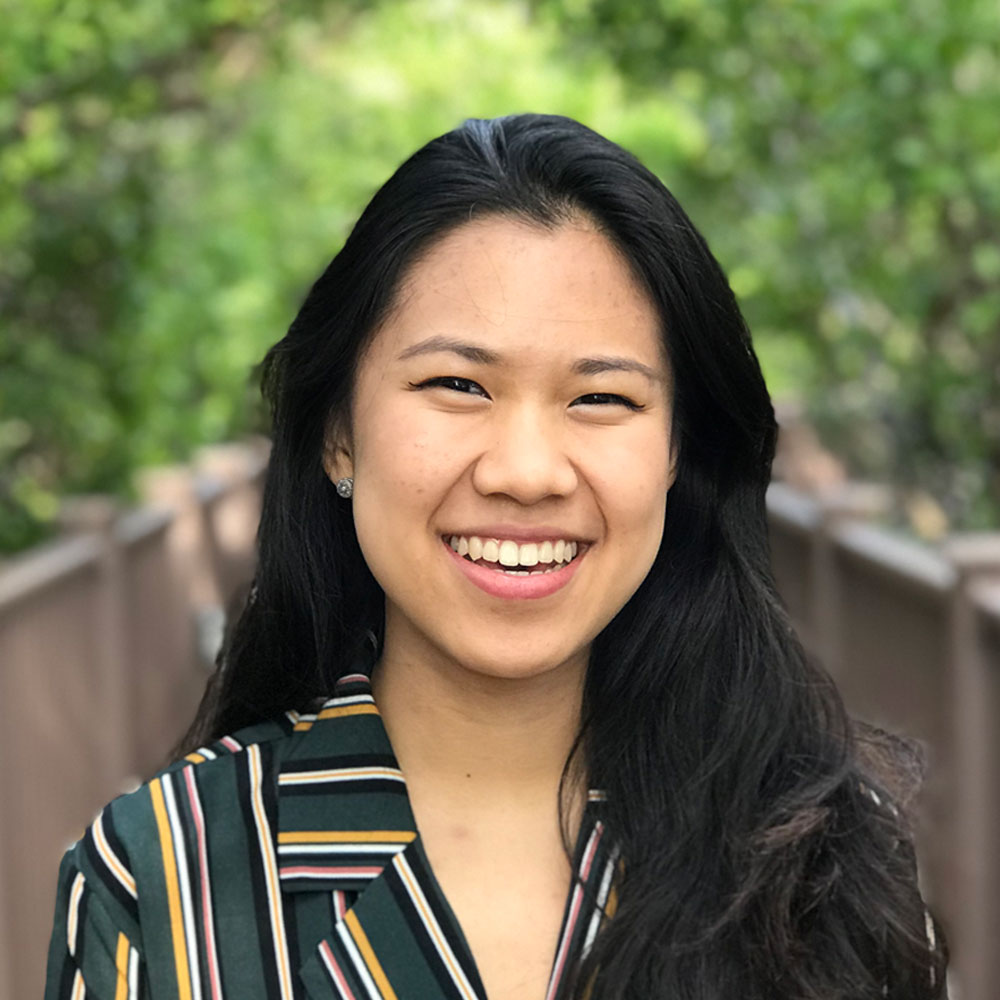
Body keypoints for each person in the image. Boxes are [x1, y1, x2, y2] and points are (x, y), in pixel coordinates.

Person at [45, 114, 948, 1000]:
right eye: (457, 385)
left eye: (600, 397)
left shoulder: (822, 866)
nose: (525, 473)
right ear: (338, 434)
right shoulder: (163, 877)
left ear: (678, 453)